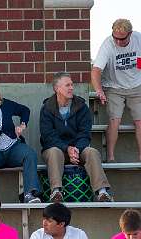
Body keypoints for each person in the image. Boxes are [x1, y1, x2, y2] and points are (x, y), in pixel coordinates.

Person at [40, 72, 112, 203]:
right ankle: (56, 192)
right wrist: (66, 148)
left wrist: (76, 149)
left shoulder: (81, 106)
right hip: (56, 149)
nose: (71, 88)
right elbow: (48, 136)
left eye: (72, 85)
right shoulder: (47, 108)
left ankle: (102, 193)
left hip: (79, 149)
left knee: (92, 152)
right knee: (54, 152)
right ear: (57, 89)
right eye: (67, 85)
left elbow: (85, 133)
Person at [91, 18, 141, 162]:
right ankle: (111, 157)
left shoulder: (138, 39)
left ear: (130, 34)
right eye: (115, 38)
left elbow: (140, 62)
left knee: (139, 121)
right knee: (114, 120)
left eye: (122, 39)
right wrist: (99, 90)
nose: (118, 42)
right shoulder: (108, 44)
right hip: (114, 87)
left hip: (136, 86)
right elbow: (96, 70)